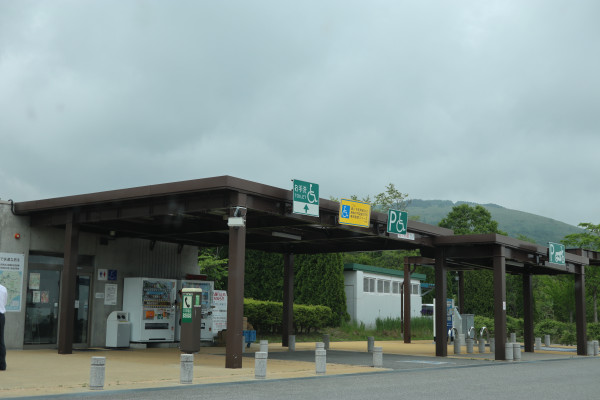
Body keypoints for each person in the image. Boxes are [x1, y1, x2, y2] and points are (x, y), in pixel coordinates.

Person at [0, 282, 7, 371]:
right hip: (1, 316)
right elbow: (5, 302)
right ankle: (2, 365)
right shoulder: (3, 288)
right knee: (1, 340)